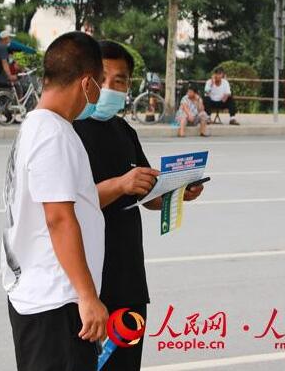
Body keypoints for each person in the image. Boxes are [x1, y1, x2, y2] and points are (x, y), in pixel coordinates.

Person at [73, 41, 205, 370]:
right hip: (85, 285)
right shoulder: (69, 131)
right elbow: (65, 206)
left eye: (119, 80)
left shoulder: (125, 131)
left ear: (128, 86)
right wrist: (121, 184)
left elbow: (146, 195)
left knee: (126, 364)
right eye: (102, 78)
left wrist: (177, 191)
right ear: (86, 77)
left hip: (128, 280)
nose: (109, 87)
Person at [1, 31, 107, 371]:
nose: (100, 94)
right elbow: (58, 218)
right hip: (56, 303)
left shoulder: (37, 126)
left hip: (41, 296)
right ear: (86, 82)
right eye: (101, 83)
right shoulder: (53, 134)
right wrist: (87, 296)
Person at [0, 28, 18, 123]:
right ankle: (9, 117)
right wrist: (10, 76)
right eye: (9, 38)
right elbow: (4, 63)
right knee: (9, 96)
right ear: (5, 39)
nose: (10, 40)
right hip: (1, 78)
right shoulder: (3, 48)